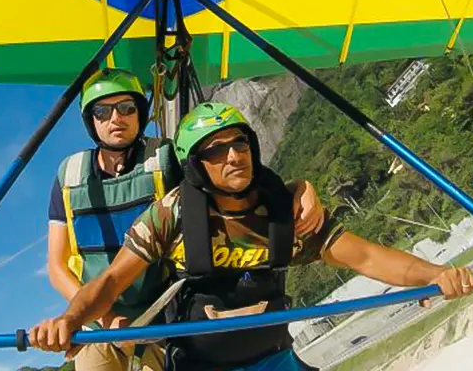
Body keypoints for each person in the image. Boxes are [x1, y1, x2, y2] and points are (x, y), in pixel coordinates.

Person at [35, 101, 473, 371]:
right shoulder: (170, 214)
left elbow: (364, 257)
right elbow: (112, 280)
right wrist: (71, 321)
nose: (233, 156)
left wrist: (434, 274)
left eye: (240, 144)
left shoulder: (282, 211)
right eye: (215, 150)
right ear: (195, 166)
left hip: (274, 360)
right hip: (199, 365)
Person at [47, 72, 324, 371]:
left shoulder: (164, 157)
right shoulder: (70, 174)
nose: (116, 118)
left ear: (140, 113)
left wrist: (298, 188)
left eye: (127, 107)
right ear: (91, 120)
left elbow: (236, 187)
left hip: (164, 316)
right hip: (97, 321)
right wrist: (105, 318)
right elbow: (56, 264)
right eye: (102, 111)